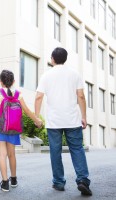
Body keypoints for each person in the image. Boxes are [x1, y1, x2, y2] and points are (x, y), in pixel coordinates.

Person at [34, 47, 92, 196]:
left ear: (52, 59)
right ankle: (83, 180)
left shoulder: (46, 75)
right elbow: (81, 97)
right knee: (77, 149)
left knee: (55, 151)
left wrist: (37, 117)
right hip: (72, 120)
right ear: (65, 59)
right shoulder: (75, 74)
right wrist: (84, 116)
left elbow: (38, 97)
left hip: (54, 122)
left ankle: (59, 183)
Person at [0, 70, 42, 192]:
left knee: (2, 154)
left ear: (0, 82)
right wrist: (37, 120)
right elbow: (27, 111)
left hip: (0, 125)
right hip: (13, 126)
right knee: (12, 154)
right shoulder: (18, 94)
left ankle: (5, 183)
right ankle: (14, 179)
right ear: (13, 82)